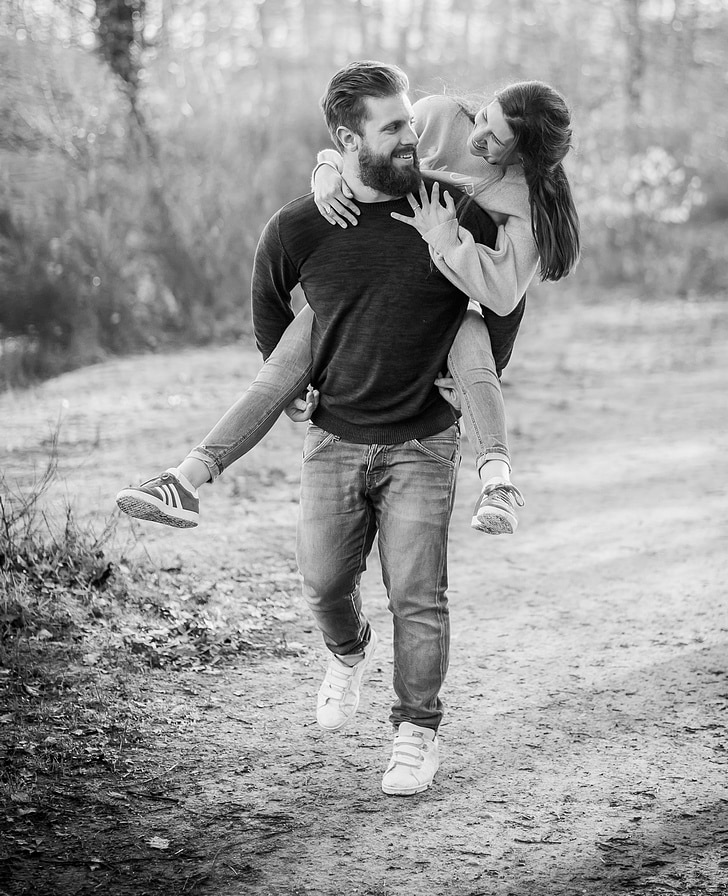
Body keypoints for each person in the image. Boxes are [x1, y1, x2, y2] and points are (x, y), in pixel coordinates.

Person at [152, 61, 524, 795]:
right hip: (334, 438)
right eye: (393, 130)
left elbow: (503, 296)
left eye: (411, 124)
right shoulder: (300, 225)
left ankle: (417, 731)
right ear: (346, 138)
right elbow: (267, 304)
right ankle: (346, 651)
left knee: (418, 595)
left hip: (423, 437)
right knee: (324, 584)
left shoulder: (447, 207)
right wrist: (292, 387)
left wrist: (479, 378)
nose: (411, 140)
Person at [116, 75, 579, 537]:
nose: (476, 135)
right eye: (482, 117)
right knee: (281, 365)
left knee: (470, 332)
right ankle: (184, 480)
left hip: (442, 299)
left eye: (494, 139)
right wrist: (326, 170)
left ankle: (498, 482)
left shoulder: (523, 197)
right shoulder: (439, 116)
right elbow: (371, 149)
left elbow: (503, 297)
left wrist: (443, 236)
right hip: (362, 277)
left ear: (523, 156)